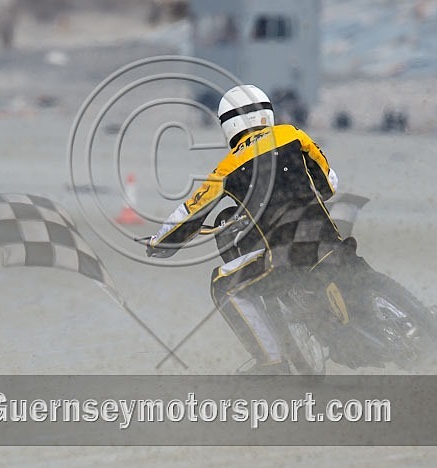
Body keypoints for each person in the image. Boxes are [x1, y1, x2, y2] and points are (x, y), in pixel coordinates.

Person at [146, 84, 342, 374]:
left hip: (285, 254)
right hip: (330, 238)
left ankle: (271, 362)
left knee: (223, 284)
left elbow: (190, 212)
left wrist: (159, 243)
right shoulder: (292, 134)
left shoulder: (227, 168)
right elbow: (329, 183)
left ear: (229, 123)